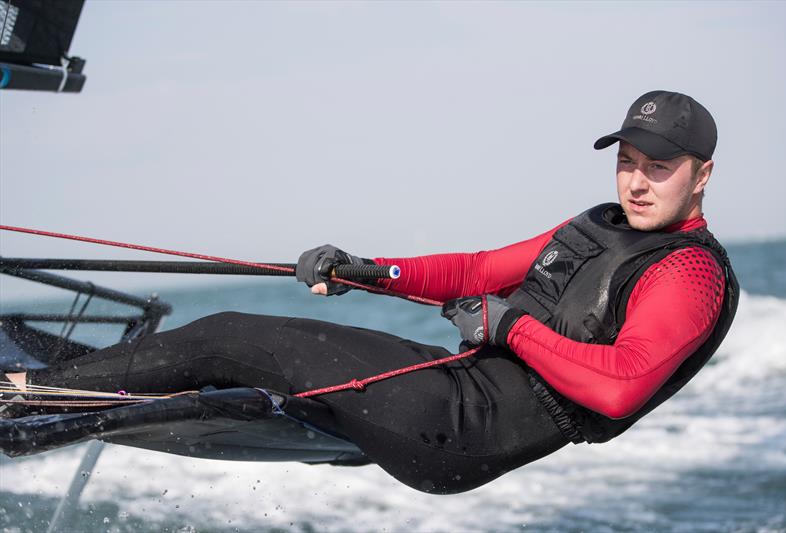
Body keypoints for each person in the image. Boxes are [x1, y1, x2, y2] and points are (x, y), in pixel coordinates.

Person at [2, 90, 738, 494]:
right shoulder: (600, 225)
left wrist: (510, 329)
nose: (637, 181)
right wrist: (367, 270)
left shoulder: (688, 272)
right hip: (449, 388)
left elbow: (619, 388)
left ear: (701, 173)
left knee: (225, 335)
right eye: (630, 161)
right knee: (238, 369)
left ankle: (20, 394)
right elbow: (478, 272)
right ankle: (43, 411)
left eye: (660, 167)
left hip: (465, 427)